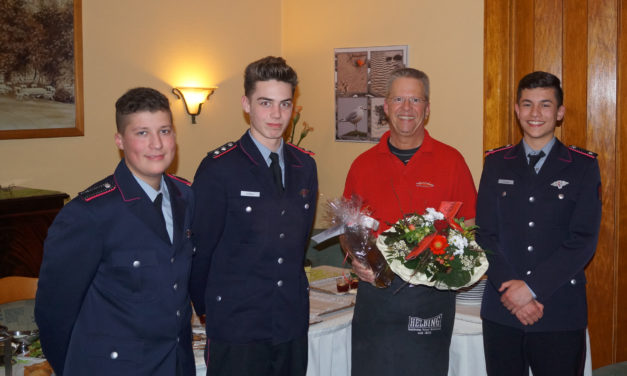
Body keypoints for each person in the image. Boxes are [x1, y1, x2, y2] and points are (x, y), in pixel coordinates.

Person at [35, 87, 196, 376]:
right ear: (120, 141)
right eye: (142, 133)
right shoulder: (89, 214)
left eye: (165, 131)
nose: (157, 144)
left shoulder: (186, 196)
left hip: (175, 364)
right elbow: (54, 314)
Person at [343, 68, 477, 375]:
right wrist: (356, 259)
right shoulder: (362, 165)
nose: (406, 108)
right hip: (374, 296)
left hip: (429, 299)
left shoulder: (451, 161)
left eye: (415, 99)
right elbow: (349, 229)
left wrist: (448, 260)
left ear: (427, 109)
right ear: (386, 107)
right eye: (399, 99)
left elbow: (469, 225)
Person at [189, 56, 318, 376]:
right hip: (238, 323)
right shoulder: (220, 168)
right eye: (265, 103)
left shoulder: (305, 167)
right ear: (246, 104)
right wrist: (209, 311)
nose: (276, 114)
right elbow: (199, 250)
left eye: (285, 104)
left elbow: (297, 243)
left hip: (289, 320)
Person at [476, 71, 602, 375]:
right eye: (527, 104)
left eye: (545, 105)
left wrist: (531, 289)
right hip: (502, 309)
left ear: (559, 113)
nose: (535, 113)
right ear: (517, 110)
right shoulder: (496, 163)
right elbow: (484, 233)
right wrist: (513, 292)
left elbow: (583, 240)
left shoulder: (582, 166)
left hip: (558, 309)